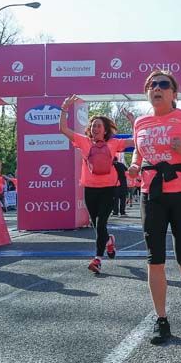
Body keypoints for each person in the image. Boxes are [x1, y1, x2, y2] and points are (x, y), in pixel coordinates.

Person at [129, 71, 181, 345]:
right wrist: (134, 165)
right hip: (151, 193)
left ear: (174, 93)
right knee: (155, 257)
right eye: (152, 85)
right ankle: (161, 319)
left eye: (163, 85)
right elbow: (138, 152)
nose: (157, 88)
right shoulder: (141, 122)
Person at [60, 98, 133, 273]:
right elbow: (63, 129)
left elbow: (136, 140)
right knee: (97, 225)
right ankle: (109, 241)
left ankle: (97, 259)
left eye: (99, 126)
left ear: (105, 129)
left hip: (109, 189)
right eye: (93, 126)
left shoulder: (114, 143)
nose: (95, 128)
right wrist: (64, 109)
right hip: (90, 189)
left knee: (101, 224)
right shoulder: (84, 141)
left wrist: (133, 122)